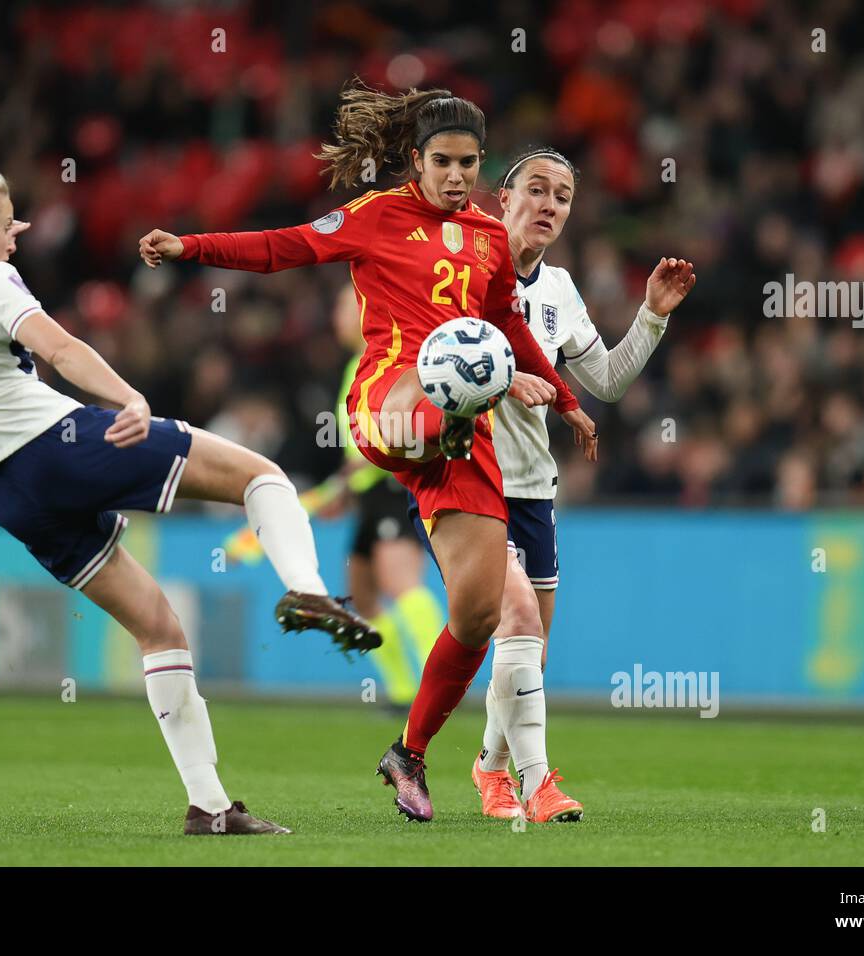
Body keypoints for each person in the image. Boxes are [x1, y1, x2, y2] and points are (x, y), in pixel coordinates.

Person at [0, 95, 379, 836]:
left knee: (159, 630)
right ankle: (306, 590)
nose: (17, 237)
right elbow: (60, 349)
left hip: (4, 491)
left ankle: (210, 807)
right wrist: (127, 395)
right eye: (7, 224)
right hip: (62, 445)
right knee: (261, 477)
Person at [139, 81, 598, 821]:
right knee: (430, 380)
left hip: (463, 440)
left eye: (469, 163)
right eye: (443, 162)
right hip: (391, 400)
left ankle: (408, 754)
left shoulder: (487, 237)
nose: (456, 177)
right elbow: (281, 248)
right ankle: (439, 419)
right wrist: (189, 245)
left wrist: (567, 399)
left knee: (479, 616)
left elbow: (508, 325)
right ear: (416, 160)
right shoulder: (377, 216)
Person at [408, 147, 696, 821]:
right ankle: (539, 786)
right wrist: (510, 377)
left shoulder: (560, 291)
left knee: (526, 652)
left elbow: (607, 383)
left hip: (535, 489)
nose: (549, 205)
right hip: (467, 481)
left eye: (562, 197)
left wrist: (651, 316)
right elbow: (430, 367)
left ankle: (489, 771)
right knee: (513, 623)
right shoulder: (457, 270)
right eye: (536, 190)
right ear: (500, 198)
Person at [328, 283, 445, 711]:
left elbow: (399, 426)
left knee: (401, 584)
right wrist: (345, 485)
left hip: (391, 485)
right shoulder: (352, 366)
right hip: (367, 492)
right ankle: (400, 691)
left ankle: (446, 680)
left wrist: (360, 468)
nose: (337, 319)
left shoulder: (388, 359)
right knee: (361, 596)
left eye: (344, 307)